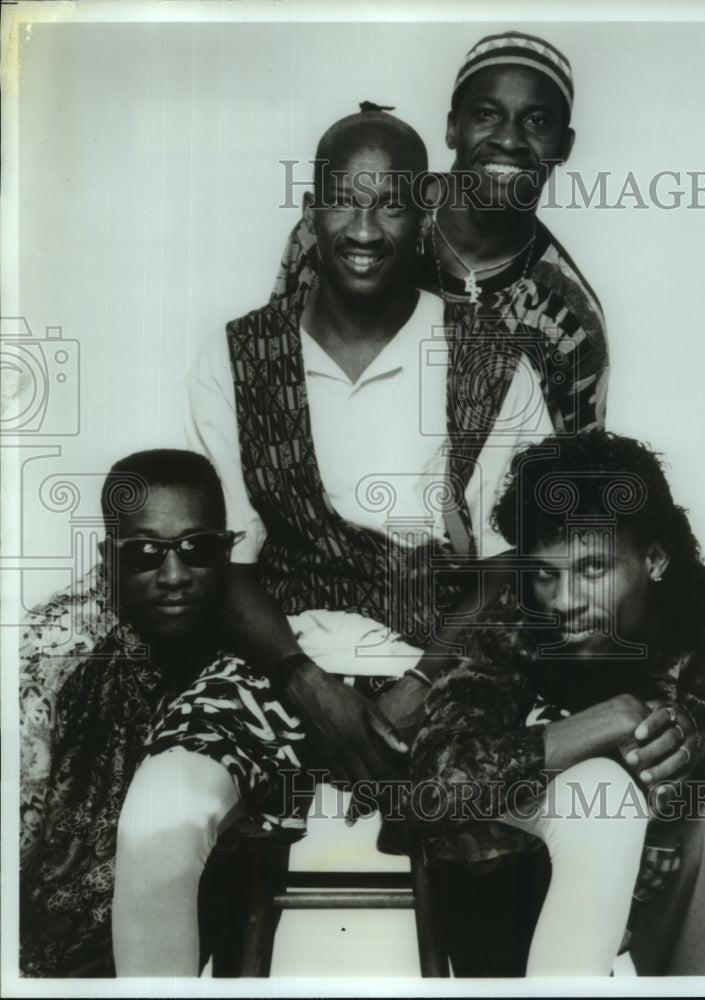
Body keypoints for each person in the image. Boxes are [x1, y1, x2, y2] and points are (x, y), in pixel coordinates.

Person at [111, 106, 554, 975]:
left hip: (444, 665)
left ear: (425, 207)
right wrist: (306, 685)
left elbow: (511, 567)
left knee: (517, 842)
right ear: (309, 207)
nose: (361, 229)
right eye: (341, 202)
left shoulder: (489, 356)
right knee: (155, 816)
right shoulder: (237, 357)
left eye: (389, 204)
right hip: (279, 657)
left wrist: (419, 687)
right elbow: (222, 560)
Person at [409, 429, 705, 976]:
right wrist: (596, 726)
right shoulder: (515, 618)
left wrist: (698, 738)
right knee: (596, 798)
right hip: (518, 872)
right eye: (547, 574)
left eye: (593, 569)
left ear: (655, 559)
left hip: (662, 859)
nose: (564, 601)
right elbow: (436, 780)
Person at [19, 449, 292, 976]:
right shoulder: (56, 646)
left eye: (198, 549)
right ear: (108, 555)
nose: (174, 574)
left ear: (228, 551)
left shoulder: (250, 643)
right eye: (145, 552)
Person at [273, 31, 609, 436]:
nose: (508, 138)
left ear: (564, 146)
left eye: (537, 121)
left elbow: (569, 481)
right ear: (452, 128)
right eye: (486, 113)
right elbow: (271, 383)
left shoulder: (570, 320)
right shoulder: (347, 233)